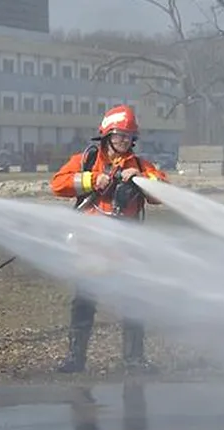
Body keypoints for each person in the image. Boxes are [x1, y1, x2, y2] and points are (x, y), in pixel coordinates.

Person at [49, 105, 168, 374]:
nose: (124, 141)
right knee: (84, 303)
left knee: (133, 305)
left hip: (125, 250)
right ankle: (75, 359)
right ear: (106, 136)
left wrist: (139, 179)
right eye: (119, 136)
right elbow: (57, 185)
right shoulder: (86, 161)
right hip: (91, 247)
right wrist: (92, 180)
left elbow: (162, 190)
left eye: (128, 137)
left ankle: (134, 360)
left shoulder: (139, 166)